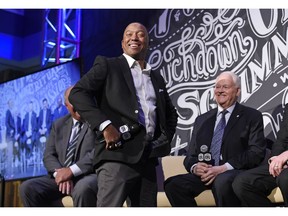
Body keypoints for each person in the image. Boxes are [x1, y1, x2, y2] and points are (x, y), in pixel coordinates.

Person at [69, 22, 178, 207]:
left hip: (148, 159)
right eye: (129, 34)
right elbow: (77, 93)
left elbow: (171, 115)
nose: (134, 38)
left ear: (148, 42)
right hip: (116, 156)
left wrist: (163, 140)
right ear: (122, 43)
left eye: (140, 34)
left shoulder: (156, 77)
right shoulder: (108, 65)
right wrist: (105, 125)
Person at [164, 71, 266, 207]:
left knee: (222, 181)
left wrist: (224, 168)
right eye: (217, 87)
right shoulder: (202, 120)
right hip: (205, 174)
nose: (220, 91)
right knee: (173, 185)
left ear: (237, 91)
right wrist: (195, 167)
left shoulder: (251, 116)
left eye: (225, 87)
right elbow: (190, 156)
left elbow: (256, 152)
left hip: (233, 172)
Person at [19, 86, 98, 207]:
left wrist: (71, 171)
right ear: (67, 106)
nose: (78, 107)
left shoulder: (97, 121)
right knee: (28, 188)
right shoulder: (59, 124)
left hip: (86, 175)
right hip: (60, 178)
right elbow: (48, 155)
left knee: (83, 189)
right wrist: (60, 175)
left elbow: (97, 152)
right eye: (73, 104)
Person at [232, 103, 288, 207]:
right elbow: (282, 139)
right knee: (243, 182)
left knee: (285, 178)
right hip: (283, 164)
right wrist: (274, 159)